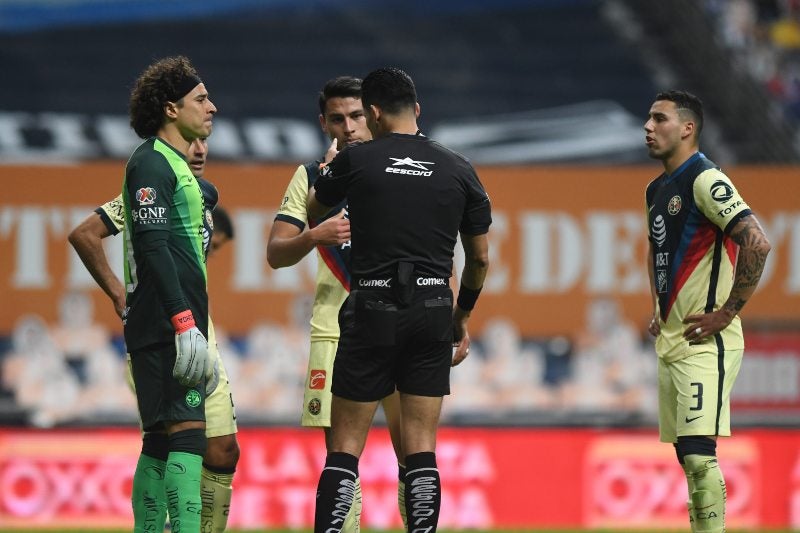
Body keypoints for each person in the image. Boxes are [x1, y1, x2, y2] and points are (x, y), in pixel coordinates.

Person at [307, 67, 490, 533]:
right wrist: (460, 315)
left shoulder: (357, 161)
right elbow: (480, 259)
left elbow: (314, 209)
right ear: (417, 110)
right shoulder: (458, 168)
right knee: (420, 447)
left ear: (372, 112)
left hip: (370, 306)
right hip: (431, 310)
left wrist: (330, 168)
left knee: (345, 447)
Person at [68, 136, 239, 533]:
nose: (200, 149)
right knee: (178, 438)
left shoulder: (201, 196)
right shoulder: (146, 195)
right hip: (164, 325)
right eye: (191, 140)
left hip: (195, 325)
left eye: (206, 141)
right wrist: (117, 292)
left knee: (217, 447)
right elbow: (84, 233)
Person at [267, 76, 409, 531]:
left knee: (413, 457)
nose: (347, 128)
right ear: (323, 122)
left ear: (373, 114)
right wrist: (314, 234)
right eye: (336, 119)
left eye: (355, 116)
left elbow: (439, 250)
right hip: (337, 332)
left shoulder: (404, 168)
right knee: (342, 460)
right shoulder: (309, 178)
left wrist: (451, 318)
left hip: (402, 326)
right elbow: (276, 253)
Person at [643, 90, 771, 533]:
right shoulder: (656, 190)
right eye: (648, 119)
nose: (648, 127)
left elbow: (756, 242)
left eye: (659, 118)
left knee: (699, 453)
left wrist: (727, 312)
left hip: (706, 339)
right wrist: (659, 305)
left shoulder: (705, 179)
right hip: (674, 339)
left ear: (687, 128)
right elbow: (656, 247)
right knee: (686, 456)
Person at [122, 55, 216, 533]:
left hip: (166, 321)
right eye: (201, 99)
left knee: (159, 439)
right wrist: (184, 321)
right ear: (171, 109)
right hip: (166, 323)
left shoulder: (174, 167)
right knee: (188, 435)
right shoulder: (152, 164)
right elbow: (152, 244)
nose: (212, 107)